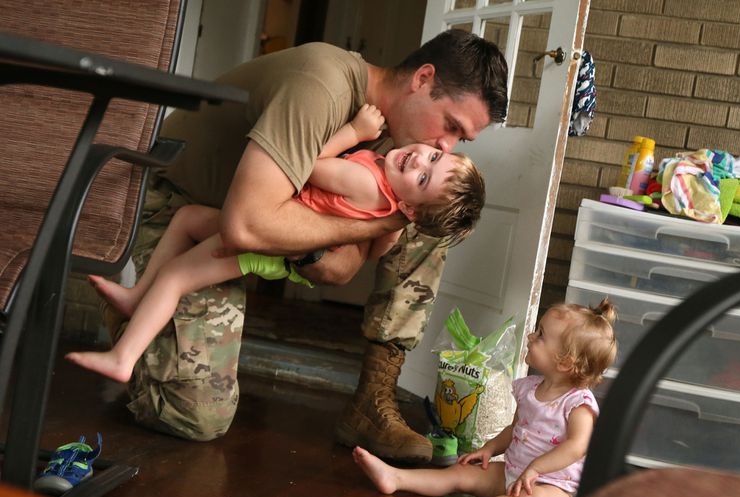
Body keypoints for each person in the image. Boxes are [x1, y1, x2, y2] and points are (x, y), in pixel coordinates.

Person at [102, 29, 508, 457]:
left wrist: (352, 236)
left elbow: (341, 268)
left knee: (432, 213)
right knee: (196, 414)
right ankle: (138, 310)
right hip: (175, 201)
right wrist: (368, 228)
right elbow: (247, 227)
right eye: (451, 126)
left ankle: (373, 399)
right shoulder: (320, 85)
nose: (445, 145)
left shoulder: (405, 153)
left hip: (238, 225)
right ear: (423, 79)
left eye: (460, 140)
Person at [68, 104, 485, 383]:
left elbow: (307, 163)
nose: (419, 160)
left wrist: (353, 131)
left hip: (268, 241)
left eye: (423, 179)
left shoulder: (366, 181)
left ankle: (124, 358)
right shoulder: (391, 207)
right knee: (188, 218)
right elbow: (379, 248)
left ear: (411, 208)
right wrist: (389, 221)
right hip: (280, 236)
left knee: (176, 277)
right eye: (434, 157)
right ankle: (135, 297)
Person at [352, 298, 618, 497]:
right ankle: (396, 478)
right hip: (513, 472)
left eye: (540, 335)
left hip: (556, 490)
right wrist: (489, 449)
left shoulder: (577, 403)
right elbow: (515, 428)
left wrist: (536, 469)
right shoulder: (530, 388)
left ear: (565, 362)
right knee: (460, 473)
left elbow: (577, 446)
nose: (530, 336)